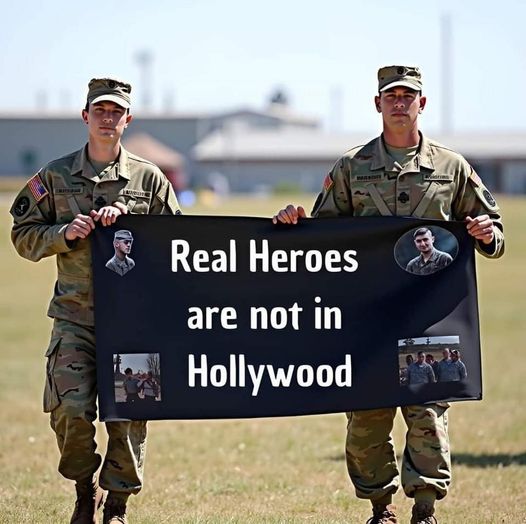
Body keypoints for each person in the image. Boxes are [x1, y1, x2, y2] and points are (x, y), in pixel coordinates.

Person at [273, 65, 504, 524]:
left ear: (422, 103)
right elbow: (322, 241)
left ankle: (425, 508)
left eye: (408, 95)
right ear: (377, 104)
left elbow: (495, 235)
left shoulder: (452, 167)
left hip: (430, 317)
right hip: (368, 319)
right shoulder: (351, 167)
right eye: (391, 96)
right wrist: (293, 224)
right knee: (366, 417)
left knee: (427, 417)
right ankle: (381, 508)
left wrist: (486, 233)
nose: (400, 103)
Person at [10, 77, 181, 524]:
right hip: (75, 318)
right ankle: (84, 491)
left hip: (133, 322)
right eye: (100, 110)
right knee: (69, 410)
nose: (108, 118)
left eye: (116, 111)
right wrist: (64, 233)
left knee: (129, 418)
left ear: (128, 119)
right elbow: (22, 235)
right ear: (85, 116)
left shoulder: (149, 179)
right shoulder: (55, 176)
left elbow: (180, 245)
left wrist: (131, 227)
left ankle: (117, 505)